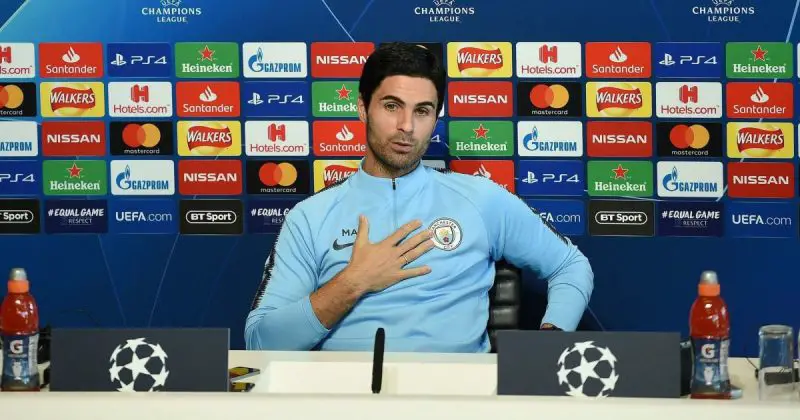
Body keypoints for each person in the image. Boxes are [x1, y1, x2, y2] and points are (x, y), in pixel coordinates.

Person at [245, 42, 594, 353]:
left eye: (422, 111)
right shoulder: (311, 216)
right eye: (392, 106)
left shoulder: (481, 199)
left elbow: (570, 265)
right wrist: (354, 282)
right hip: (346, 395)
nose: (407, 126)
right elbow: (261, 342)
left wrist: (549, 344)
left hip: (458, 395)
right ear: (363, 108)